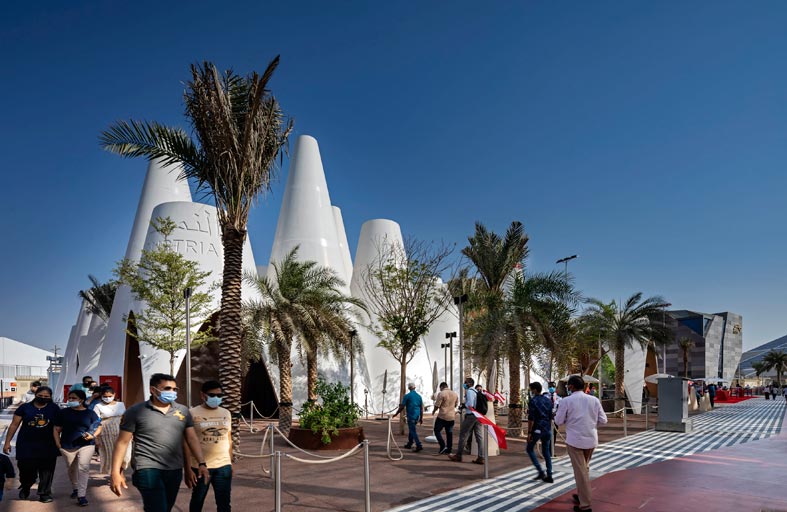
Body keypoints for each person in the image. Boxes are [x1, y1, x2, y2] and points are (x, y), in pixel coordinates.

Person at [110, 373, 210, 512]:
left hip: (174, 469)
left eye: (174, 389)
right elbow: (122, 442)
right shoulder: (135, 411)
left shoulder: (183, 411)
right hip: (147, 468)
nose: (172, 392)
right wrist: (115, 472)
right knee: (158, 508)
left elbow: (191, 439)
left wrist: (201, 463)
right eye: (167, 388)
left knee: (165, 507)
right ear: (153, 390)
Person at [555, 375, 608, 512]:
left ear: (571, 386)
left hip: (575, 441)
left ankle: (585, 505)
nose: (567, 387)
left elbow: (558, 421)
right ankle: (581, 495)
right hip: (591, 439)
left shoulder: (566, 401)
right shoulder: (594, 400)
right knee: (584, 469)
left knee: (581, 472)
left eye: (568, 385)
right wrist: (590, 423)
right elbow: (603, 420)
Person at [2, 385, 60, 503]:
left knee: (47, 471)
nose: (43, 398)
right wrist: (7, 442)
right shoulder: (25, 408)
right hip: (26, 445)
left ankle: (44, 493)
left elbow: (59, 426)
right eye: (40, 395)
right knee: (26, 470)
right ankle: (26, 485)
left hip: (48, 445)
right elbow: (14, 425)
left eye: (46, 396)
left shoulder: (54, 408)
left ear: (50, 397)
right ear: (35, 395)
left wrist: (60, 443)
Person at [184, 381, 232, 512]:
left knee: (224, 503)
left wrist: (230, 462)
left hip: (224, 466)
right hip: (200, 467)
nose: (216, 398)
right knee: (198, 500)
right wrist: (187, 469)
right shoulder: (191, 413)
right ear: (202, 395)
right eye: (212, 395)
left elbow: (229, 438)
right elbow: (186, 442)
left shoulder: (226, 413)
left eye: (219, 395)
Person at [53, 389, 102, 507]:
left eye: (74, 398)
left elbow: (99, 426)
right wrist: (58, 443)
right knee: (71, 468)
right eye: (69, 398)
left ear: (81, 400)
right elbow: (56, 429)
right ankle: (75, 488)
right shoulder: (63, 412)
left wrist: (93, 435)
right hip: (67, 445)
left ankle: (81, 495)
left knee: (83, 468)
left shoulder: (90, 413)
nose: (70, 400)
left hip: (86, 445)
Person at [448, 377, 485, 465]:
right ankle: (481, 457)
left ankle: (458, 455)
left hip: (471, 416)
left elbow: (470, 404)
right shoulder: (476, 391)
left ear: (469, 383)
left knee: (463, 435)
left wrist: (464, 405)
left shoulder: (470, 391)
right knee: (479, 437)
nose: (464, 384)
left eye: (465, 382)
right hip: (478, 416)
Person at [94, 386, 129, 475]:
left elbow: (125, 417)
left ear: (114, 395)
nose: (107, 398)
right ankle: (116, 475)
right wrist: (96, 437)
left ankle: (120, 472)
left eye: (110, 396)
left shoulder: (121, 404)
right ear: (101, 396)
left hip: (121, 431)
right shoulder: (98, 406)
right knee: (111, 454)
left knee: (124, 454)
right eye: (105, 396)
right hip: (106, 433)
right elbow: (96, 422)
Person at [526, 382, 553, 483]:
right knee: (546, 451)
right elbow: (550, 416)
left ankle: (540, 471)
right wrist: (548, 427)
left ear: (535, 390)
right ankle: (549, 474)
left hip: (537, 428)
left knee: (529, 449)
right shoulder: (548, 400)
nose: (531, 391)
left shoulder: (533, 401)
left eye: (531, 389)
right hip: (547, 428)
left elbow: (531, 418)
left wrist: (529, 433)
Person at [392, 383, 424, 452]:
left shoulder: (407, 396)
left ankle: (418, 445)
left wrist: (396, 414)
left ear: (409, 388)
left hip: (411, 415)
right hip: (417, 416)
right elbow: (421, 408)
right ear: (415, 387)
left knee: (413, 430)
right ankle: (410, 443)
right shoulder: (419, 396)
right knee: (411, 429)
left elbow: (402, 407)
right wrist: (421, 418)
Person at [432, 382, 458, 455]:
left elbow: (437, 404)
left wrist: (434, 411)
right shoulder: (455, 394)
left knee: (437, 430)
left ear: (441, 387)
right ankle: (449, 449)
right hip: (451, 416)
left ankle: (442, 445)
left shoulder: (441, 393)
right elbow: (456, 404)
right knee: (449, 433)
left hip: (442, 416)